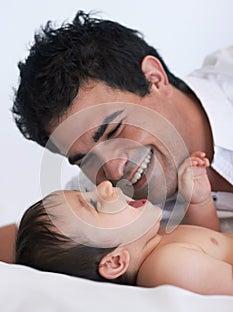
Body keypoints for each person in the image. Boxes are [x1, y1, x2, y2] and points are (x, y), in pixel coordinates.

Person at [3, 10, 233, 261]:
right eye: (84, 160)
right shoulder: (104, 208)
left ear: (154, 79)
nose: (112, 172)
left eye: (115, 130)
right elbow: (25, 244)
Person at [16, 152, 233, 295]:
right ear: (115, 262)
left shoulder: (158, 242)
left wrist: (198, 201)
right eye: (94, 204)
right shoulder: (165, 267)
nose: (104, 187)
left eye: (87, 192)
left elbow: (214, 245)